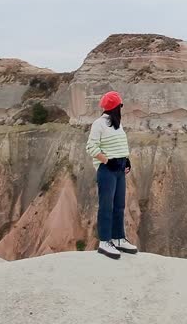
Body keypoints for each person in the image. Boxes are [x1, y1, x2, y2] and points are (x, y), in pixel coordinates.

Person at [85, 91, 138, 259]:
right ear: (116, 107)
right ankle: (105, 241)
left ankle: (118, 238)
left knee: (119, 205)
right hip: (107, 170)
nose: (121, 109)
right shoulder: (98, 124)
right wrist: (108, 161)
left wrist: (126, 160)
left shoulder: (117, 124)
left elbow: (120, 144)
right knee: (106, 206)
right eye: (119, 106)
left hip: (119, 169)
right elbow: (91, 147)